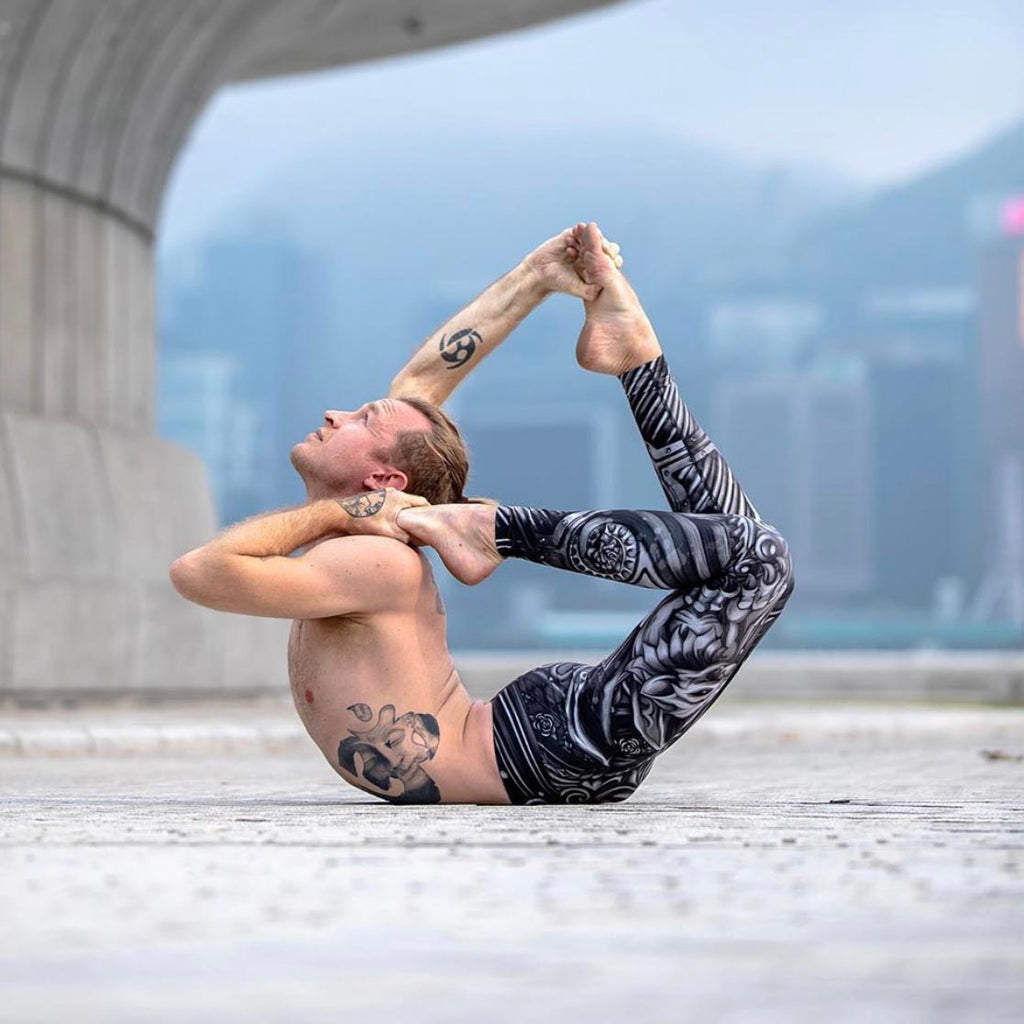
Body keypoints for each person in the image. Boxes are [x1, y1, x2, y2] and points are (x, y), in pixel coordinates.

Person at [170, 223, 794, 805]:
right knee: (746, 554)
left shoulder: (372, 558)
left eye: (363, 419)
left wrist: (340, 513)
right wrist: (535, 275)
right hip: (547, 744)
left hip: (546, 746)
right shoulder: (366, 542)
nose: (336, 413)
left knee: (757, 558)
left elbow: (198, 571)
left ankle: (496, 529)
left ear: (385, 481)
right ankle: (637, 363)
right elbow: (423, 379)